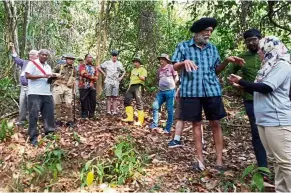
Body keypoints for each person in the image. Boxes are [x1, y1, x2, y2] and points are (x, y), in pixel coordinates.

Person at [171, 17, 245, 171]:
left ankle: (219, 161)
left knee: (216, 123)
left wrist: (225, 61)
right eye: (206, 31)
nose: (209, 34)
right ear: (198, 32)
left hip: (212, 90)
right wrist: (184, 63)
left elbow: (216, 70)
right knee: (196, 123)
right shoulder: (183, 46)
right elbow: (174, 67)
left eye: (211, 31)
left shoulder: (212, 48)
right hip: (191, 91)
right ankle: (200, 161)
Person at [228, 36, 291, 192]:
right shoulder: (268, 67)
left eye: (262, 50)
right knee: (276, 160)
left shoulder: (282, 65)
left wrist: (242, 81)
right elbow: (260, 90)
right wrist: (242, 86)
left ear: (270, 49)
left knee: (285, 161)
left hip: (277, 119)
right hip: (264, 118)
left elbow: (267, 88)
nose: (260, 53)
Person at [225, 29, 268, 171]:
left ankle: (280, 164)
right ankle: (263, 167)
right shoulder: (242, 57)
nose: (251, 43)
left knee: (274, 131)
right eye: (248, 41)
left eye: (254, 39)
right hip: (250, 99)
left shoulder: (270, 55)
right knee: (257, 133)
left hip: (270, 99)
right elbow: (231, 75)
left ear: (260, 39)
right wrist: (236, 84)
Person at [25, 49, 55, 145]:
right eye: (43, 54)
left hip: (47, 93)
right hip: (34, 93)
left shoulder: (48, 66)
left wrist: (51, 78)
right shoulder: (32, 63)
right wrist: (43, 76)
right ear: (39, 55)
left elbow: (47, 79)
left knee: (48, 114)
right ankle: (33, 137)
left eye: (46, 55)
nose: (44, 56)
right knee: (33, 115)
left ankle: (49, 133)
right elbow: (28, 76)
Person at [9, 43, 38, 126]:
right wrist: (13, 48)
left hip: (32, 87)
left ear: (37, 56)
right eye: (30, 54)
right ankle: (22, 120)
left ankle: (32, 121)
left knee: (31, 104)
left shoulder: (38, 64)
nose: (31, 56)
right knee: (22, 104)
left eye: (33, 54)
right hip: (23, 87)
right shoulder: (25, 62)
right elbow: (16, 59)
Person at [149, 54, 178, 134]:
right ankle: (154, 124)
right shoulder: (159, 69)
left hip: (170, 91)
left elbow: (176, 77)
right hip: (161, 91)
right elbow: (159, 79)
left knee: (169, 109)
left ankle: (167, 128)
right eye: (160, 59)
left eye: (162, 59)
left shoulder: (171, 67)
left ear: (166, 60)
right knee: (155, 106)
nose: (160, 61)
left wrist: (173, 86)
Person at [98, 50, 125, 115]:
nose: (114, 57)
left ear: (117, 56)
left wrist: (121, 77)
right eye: (113, 56)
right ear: (111, 56)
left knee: (115, 97)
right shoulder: (107, 62)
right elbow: (98, 67)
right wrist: (104, 73)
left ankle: (115, 111)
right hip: (108, 81)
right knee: (108, 96)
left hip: (116, 81)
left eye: (115, 56)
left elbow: (124, 71)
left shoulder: (119, 63)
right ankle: (108, 111)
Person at [121, 57, 147, 125]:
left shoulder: (143, 69)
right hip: (131, 86)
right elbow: (131, 79)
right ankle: (129, 117)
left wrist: (138, 75)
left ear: (139, 63)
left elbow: (144, 79)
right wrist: (128, 88)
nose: (135, 63)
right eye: (134, 62)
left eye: (136, 62)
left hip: (138, 86)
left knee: (139, 102)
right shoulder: (133, 70)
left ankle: (140, 121)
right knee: (127, 100)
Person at [52, 53, 76, 127]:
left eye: (72, 59)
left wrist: (74, 89)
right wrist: (56, 75)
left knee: (68, 104)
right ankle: (58, 120)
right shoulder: (60, 66)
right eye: (69, 59)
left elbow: (73, 79)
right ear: (66, 59)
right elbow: (51, 73)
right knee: (57, 104)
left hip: (68, 87)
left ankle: (70, 120)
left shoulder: (73, 69)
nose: (70, 60)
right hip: (59, 85)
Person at [78, 54, 98, 119]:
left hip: (92, 86)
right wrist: (93, 77)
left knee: (93, 100)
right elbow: (83, 74)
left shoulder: (94, 67)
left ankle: (91, 114)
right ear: (86, 58)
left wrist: (93, 78)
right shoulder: (82, 66)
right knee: (83, 100)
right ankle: (84, 114)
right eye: (89, 57)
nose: (91, 58)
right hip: (83, 85)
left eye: (92, 57)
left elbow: (97, 76)